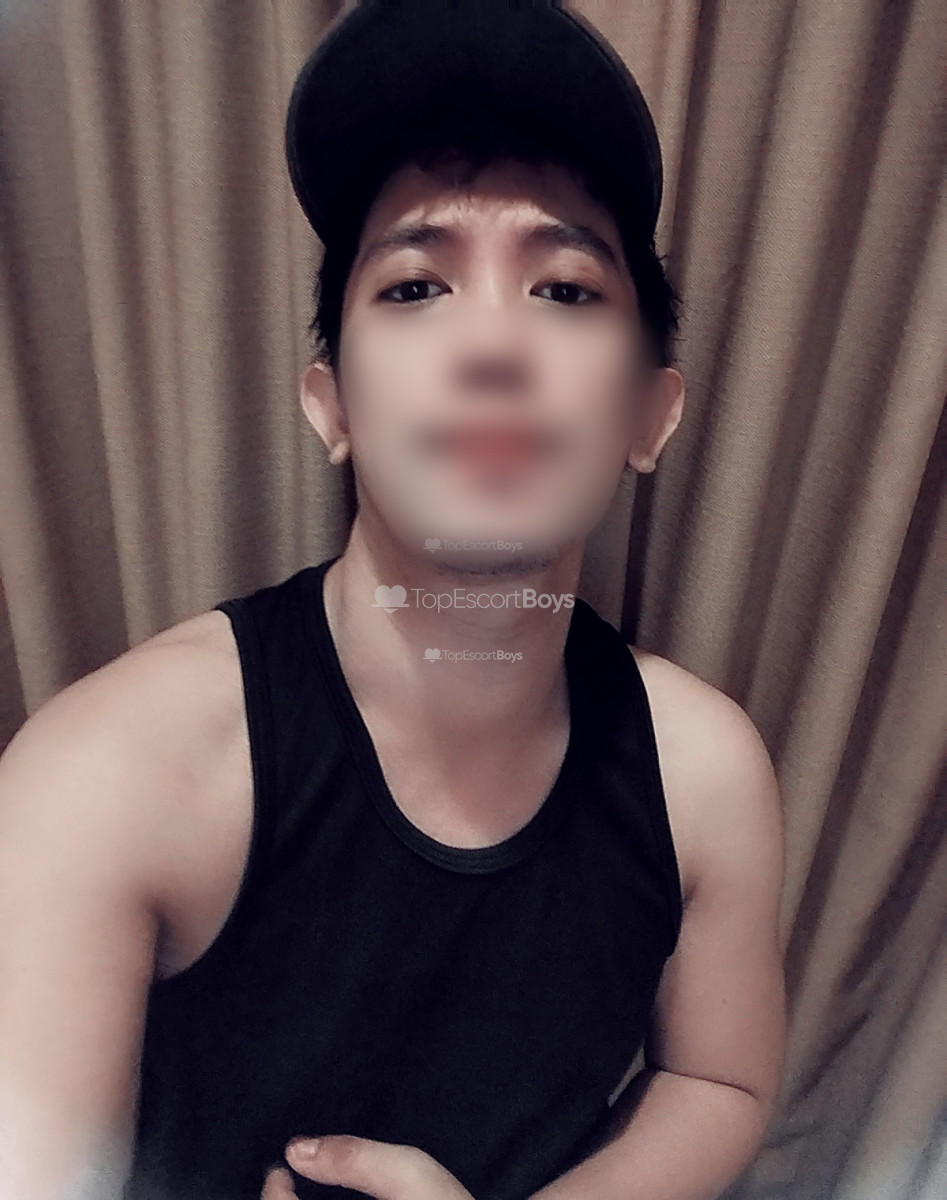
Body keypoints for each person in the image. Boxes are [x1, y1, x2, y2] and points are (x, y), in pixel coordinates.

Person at [0, 3, 787, 1199]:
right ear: (332, 408)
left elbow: (719, 1082)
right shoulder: (103, 778)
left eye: (564, 290)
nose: (491, 345)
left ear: (647, 414)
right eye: (416, 288)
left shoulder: (705, 775)